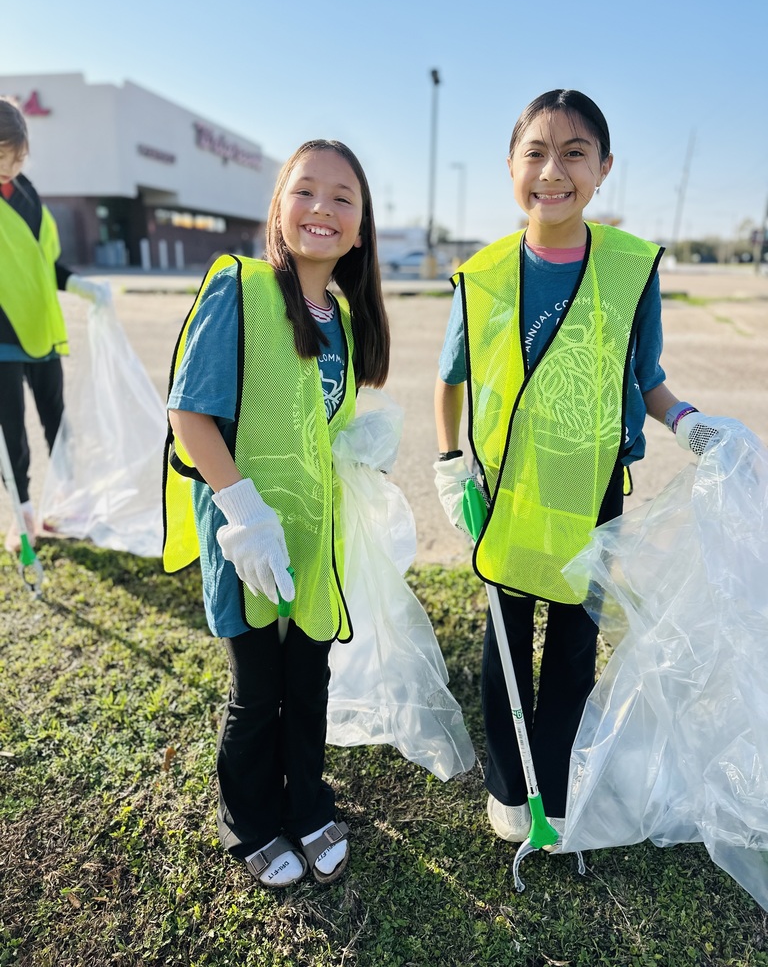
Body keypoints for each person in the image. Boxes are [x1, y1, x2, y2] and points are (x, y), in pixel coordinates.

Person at [433, 89, 725, 843]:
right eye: (535, 152)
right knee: (505, 640)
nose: (552, 171)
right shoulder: (484, 274)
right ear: (511, 166)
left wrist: (687, 422)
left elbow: (646, 377)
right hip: (507, 495)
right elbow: (451, 376)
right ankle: (507, 788)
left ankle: (555, 786)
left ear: (603, 169)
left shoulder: (631, 267)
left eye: (574, 153)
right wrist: (446, 461)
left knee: (571, 643)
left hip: (592, 489)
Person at [163, 139, 390, 888]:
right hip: (247, 536)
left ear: (360, 230)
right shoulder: (240, 287)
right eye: (305, 191)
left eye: (342, 198)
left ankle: (309, 804)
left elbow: (320, 426)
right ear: (278, 208)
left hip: (313, 540)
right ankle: (252, 819)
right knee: (257, 691)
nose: (322, 208)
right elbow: (189, 416)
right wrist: (242, 510)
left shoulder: (348, 318)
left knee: (310, 680)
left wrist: (362, 449)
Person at [0, 97, 109, 552]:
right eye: (3, 157)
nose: (11, 166)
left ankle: (68, 502)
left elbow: (47, 263)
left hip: (43, 330)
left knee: (57, 420)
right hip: (3, 337)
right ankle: (23, 511)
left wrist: (79, 284)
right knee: (11, 433)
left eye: (18, 158)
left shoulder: (27, 193)